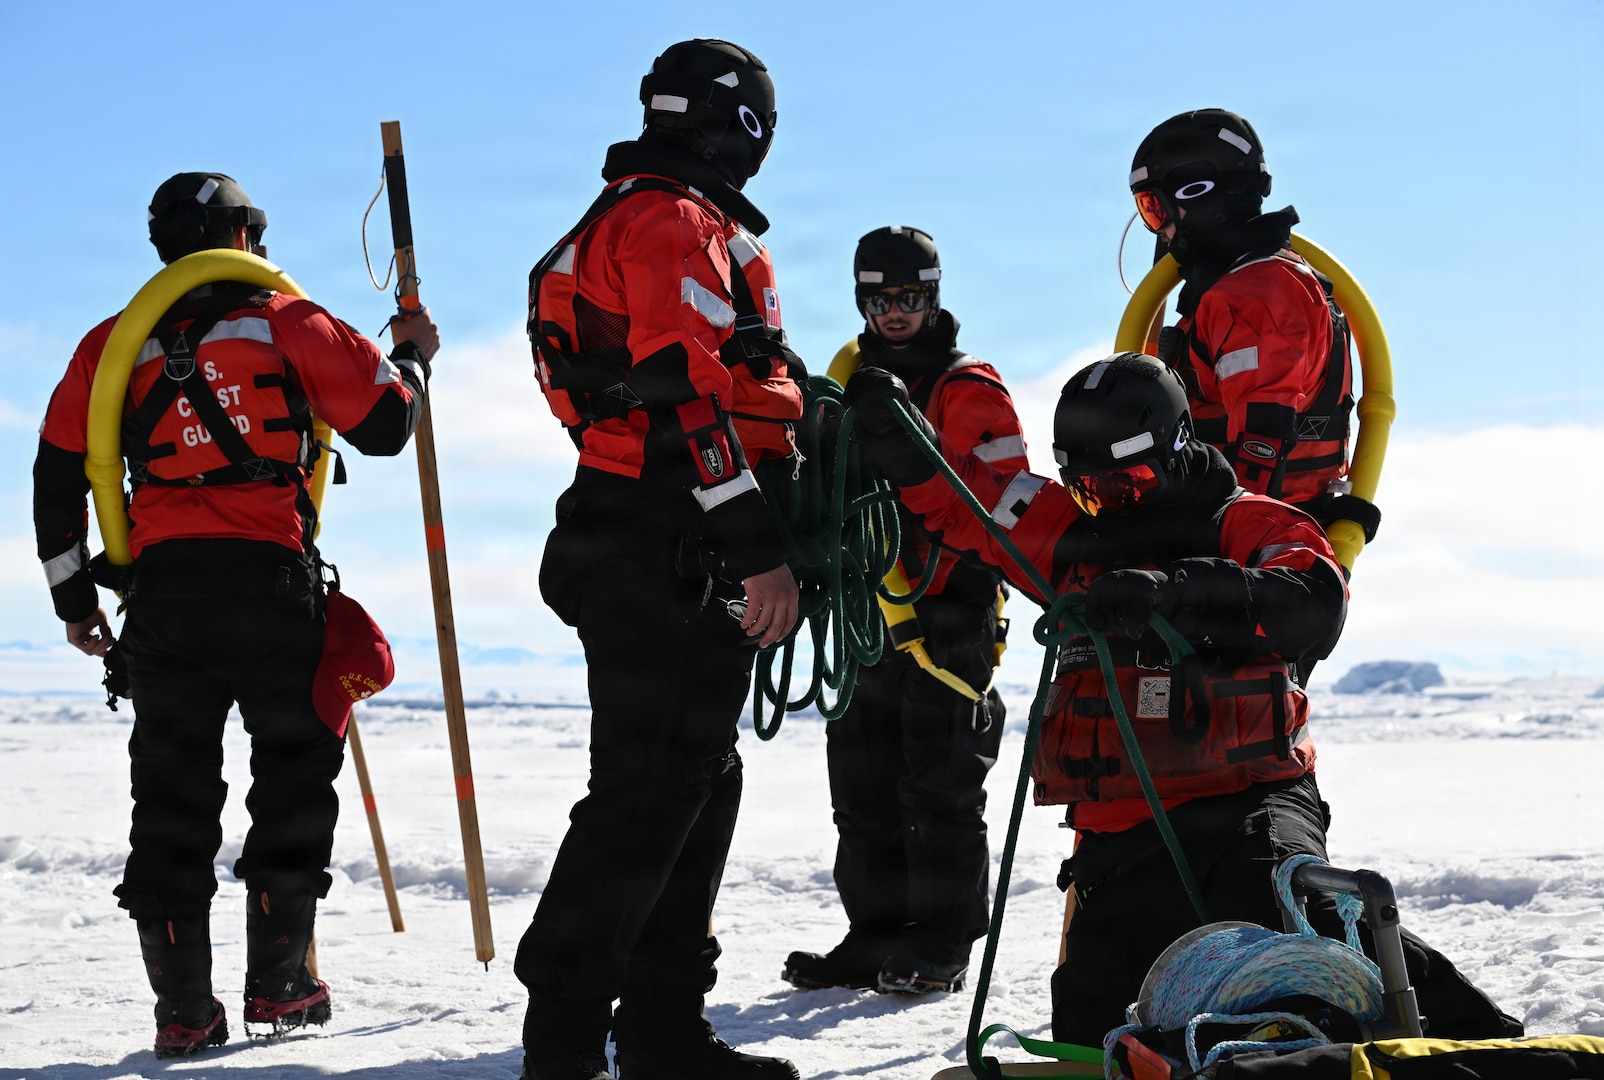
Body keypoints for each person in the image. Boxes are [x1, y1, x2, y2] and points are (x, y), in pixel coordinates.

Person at [843, 353, 1522, 1049]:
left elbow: (1314, 604)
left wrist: (1182, 590)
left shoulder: (1252, 525)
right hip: (1122, 833)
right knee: (1090, 1021)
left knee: (1302, 914)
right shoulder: (1068, 536)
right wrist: (896, 434)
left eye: (1128, 482)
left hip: (1248, 807)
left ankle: (1483, 1044)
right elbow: (963, 498)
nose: (1108, 503)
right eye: (1089, 490)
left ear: (1174, 448)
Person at [32, 172, 438, 1056]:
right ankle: (283, 986)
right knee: (292, 778)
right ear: (246, 235)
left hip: (162, 602)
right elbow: (385, 424)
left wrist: (74, 602)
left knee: (170, 799)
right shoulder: (289, 322)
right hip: (270, 589)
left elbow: (56, 477)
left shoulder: (109, 346)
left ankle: (183, 1011)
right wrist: (412, 355)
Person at [515, 38, 804, 1080]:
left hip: (646, 525)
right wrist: (759, 548)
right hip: (662, 530)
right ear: (747, 126)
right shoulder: (672, 222)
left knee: (696, 780)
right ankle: (563, 1041)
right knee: (647, 789)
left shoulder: (628, 219)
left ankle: (663, 1029)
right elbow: (683, 400)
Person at [782, 227, 1024, 995]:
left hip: (948, 612)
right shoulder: (841, 390)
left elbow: (998, 502)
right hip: (865, 617)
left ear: (933, 298)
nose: (895, 313)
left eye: (910, 299)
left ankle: (941, 941)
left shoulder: (970, 390)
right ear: (862, 300)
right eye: (881, 300)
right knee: (863, 785)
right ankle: (874, 934)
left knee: (939, 785)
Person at [1129, 109, 1379, 546]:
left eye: (1155, 208)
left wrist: (1222, 558)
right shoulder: (1252, 284)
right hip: (1256, 539)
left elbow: (1259, 446)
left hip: (1250, 562)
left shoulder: (1255, 297)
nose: (1160, 230)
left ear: (1198, 193)